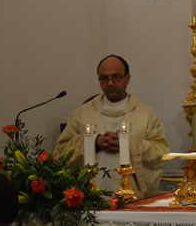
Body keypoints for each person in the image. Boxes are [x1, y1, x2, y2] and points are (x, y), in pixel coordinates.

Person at [54, 55, 170, 192]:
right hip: (90, 199)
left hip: (132, 198)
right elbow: (60, 153)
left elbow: (161, 152)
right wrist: (94, 142)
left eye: (116, 77)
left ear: (128, 78)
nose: (109, 83)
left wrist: (128, 144)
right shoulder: (81, 114)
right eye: (104, 78)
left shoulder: (146, 114)